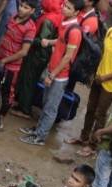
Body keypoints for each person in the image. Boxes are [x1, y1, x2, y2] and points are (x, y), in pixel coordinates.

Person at [68, 11, 112, 156]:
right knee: (90, 108)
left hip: (110, 84)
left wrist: (104, 77)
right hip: (98, 78)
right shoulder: (110, 31)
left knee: (100, 113)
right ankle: (84, 136)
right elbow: (102, 54)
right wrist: (94, 74)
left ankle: (93, 145)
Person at [19, 0, 83, 146]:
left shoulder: (74, 31)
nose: (63, 9)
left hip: (59, 75)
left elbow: (68, 56)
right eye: (64, 5)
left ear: (76, 12)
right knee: (46, 103)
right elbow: (61, 41)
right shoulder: (65, 23)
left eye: (68, 8)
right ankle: (38, 130)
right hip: (53, 70)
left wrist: (52, 75)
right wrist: (49, 42)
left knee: (50, 107)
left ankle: (40, 137)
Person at [10, 0, 62, 119]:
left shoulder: (47, 20)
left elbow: (42, 40)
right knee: (30, 80)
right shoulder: (56, 16)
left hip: (38, 55)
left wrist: (28, 39)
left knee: (29, 81)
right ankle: (23, 104)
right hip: (43, 55)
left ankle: (24, 109)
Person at [0, 0, 37, 116]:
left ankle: (1, 119)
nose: (21, 9)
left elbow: (24, 52)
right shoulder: (13, 16)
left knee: (7, 93)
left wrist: (5, 61)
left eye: (26, 7)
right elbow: (4, 35)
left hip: (11, 66)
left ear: (32, 11)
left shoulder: (30, 28)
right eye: (21, 6)